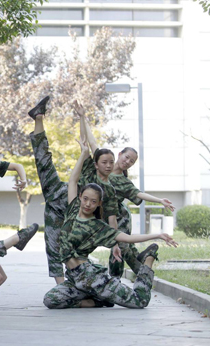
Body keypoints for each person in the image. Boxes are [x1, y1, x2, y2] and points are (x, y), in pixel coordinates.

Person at [43, 138, 178, 309]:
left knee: (139, 301)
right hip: (74, 279)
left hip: (93, 278)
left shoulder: (98, 227)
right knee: (50, 300)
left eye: (93, 202)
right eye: (85, 199)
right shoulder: (71, 211)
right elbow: (72, 180)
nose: (87, 204)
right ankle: (98, 300)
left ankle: (148, 261)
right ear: (79, 198)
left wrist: (158, 235)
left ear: (99, 204)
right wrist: (84, 153)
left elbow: (127, 238)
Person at [75, 102, 176, 277]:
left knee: (120, 246)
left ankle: (119, 280)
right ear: (120, 154)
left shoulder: (122, 181)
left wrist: (159, 200)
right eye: (127, 157)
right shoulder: (101, 164)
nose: (127, 162)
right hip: (96, 212)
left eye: (132, 161)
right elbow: (89, 142)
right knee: (119, 246)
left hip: (118, 217)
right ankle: (142, 262)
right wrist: (83, 117)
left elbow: (138, 194)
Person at [28, 95, 71, 284]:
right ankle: (38, 117)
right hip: (59, 193)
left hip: (68, 207)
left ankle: (69, 285)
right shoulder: (100, 165)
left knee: (60, 244)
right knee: (43, 158)